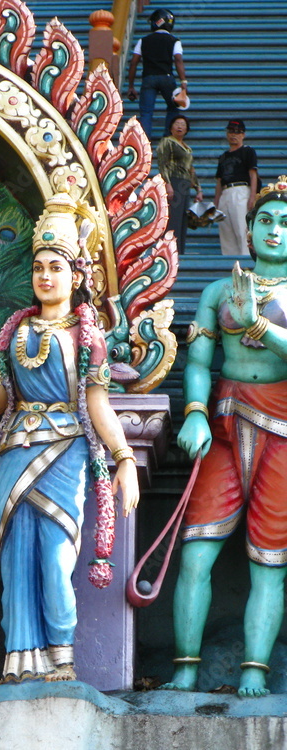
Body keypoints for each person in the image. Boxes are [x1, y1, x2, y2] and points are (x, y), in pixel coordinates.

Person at [0, 193, 139, 683]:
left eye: (55, 267)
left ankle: (62, 656)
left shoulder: (87, 334)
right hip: (16, 449)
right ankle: (21, 658)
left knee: (56, 558)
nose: (45, 276)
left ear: (76, 275)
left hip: (67, 450)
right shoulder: (15, 330)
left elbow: (98, 401)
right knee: (16, 557)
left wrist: (123, 455)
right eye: (38, 267)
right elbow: (1, 407)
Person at [164, 177, 287, 698]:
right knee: (195, 552)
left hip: (281, 431)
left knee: (269, 562)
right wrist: (193, 412)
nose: (275, 231)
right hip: (223, 422)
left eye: (284, 223)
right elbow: (197, 360)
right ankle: (186, 667)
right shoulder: (219, 290)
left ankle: (254, 670)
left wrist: (261, 326)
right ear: (249, 228)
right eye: (265, 220)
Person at [126, 8, 188, 140]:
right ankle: (168, 137)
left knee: (146, 112)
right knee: (173, 107)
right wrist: (183, 81)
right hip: (167, 78)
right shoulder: (174, 40)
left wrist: (131, 86)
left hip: (149, 78)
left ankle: (144, 142)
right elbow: (178, 59)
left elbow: (134, 63)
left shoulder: (143, 41)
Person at [157, 115, 203, 255]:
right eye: (176, 123)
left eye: (183, 124)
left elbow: (191, 169)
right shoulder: (167, 142)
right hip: (174, 181)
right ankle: (169, 251)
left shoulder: (187, 148)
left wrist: (198, 188)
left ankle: (180, 251)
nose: (179, 126)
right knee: (173, 218)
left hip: (185, 183)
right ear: (170, 127)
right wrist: (167, 184)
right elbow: (162, 163)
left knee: (182, 220)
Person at [215, 119, 259, 256]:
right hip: (225, 193)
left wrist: (252, 197)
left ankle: (246, 262)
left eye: (238, 132)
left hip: (241, 190)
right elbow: (219, 181)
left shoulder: (248, 151)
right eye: (231, 132)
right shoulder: (223, 156)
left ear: (243, 135)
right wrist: (216, 203)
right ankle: (230, 266)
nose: (234, 135)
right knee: (226, 232)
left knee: (242, 229)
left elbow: (253, 175)